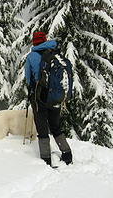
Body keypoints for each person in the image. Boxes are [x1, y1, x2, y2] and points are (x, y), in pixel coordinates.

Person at [25, 31, 72, 167]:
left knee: (42, 129)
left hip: (39, 98)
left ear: (34, 42)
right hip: (56, 98)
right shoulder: (55, 54)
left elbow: (29, 79)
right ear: (45, 40)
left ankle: (46, 160)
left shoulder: (31, 56)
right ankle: (67, 155)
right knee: (56, 126)